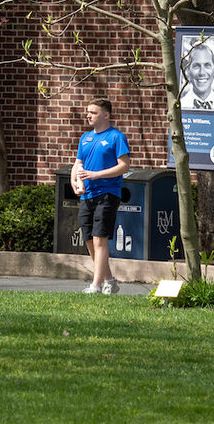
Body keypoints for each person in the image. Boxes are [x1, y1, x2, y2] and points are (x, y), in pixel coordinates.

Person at [70, 99, 131, 295]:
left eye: (93, 112)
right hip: (87, 195)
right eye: (88, 112)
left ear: (106, 115)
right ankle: (109, 280)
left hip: (107, 194)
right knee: (89, 240)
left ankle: (95, 285)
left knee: (99, 240)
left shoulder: (116, 137)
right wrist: (75, 183)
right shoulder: (85, 138)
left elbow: (124, 166)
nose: (88, 115)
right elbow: (78, 164)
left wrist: (96, 175)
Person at [180, 43, 214, 111]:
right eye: (196, 66)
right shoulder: (181, 104)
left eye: (207, 65)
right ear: (188, 70)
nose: (202, 72)